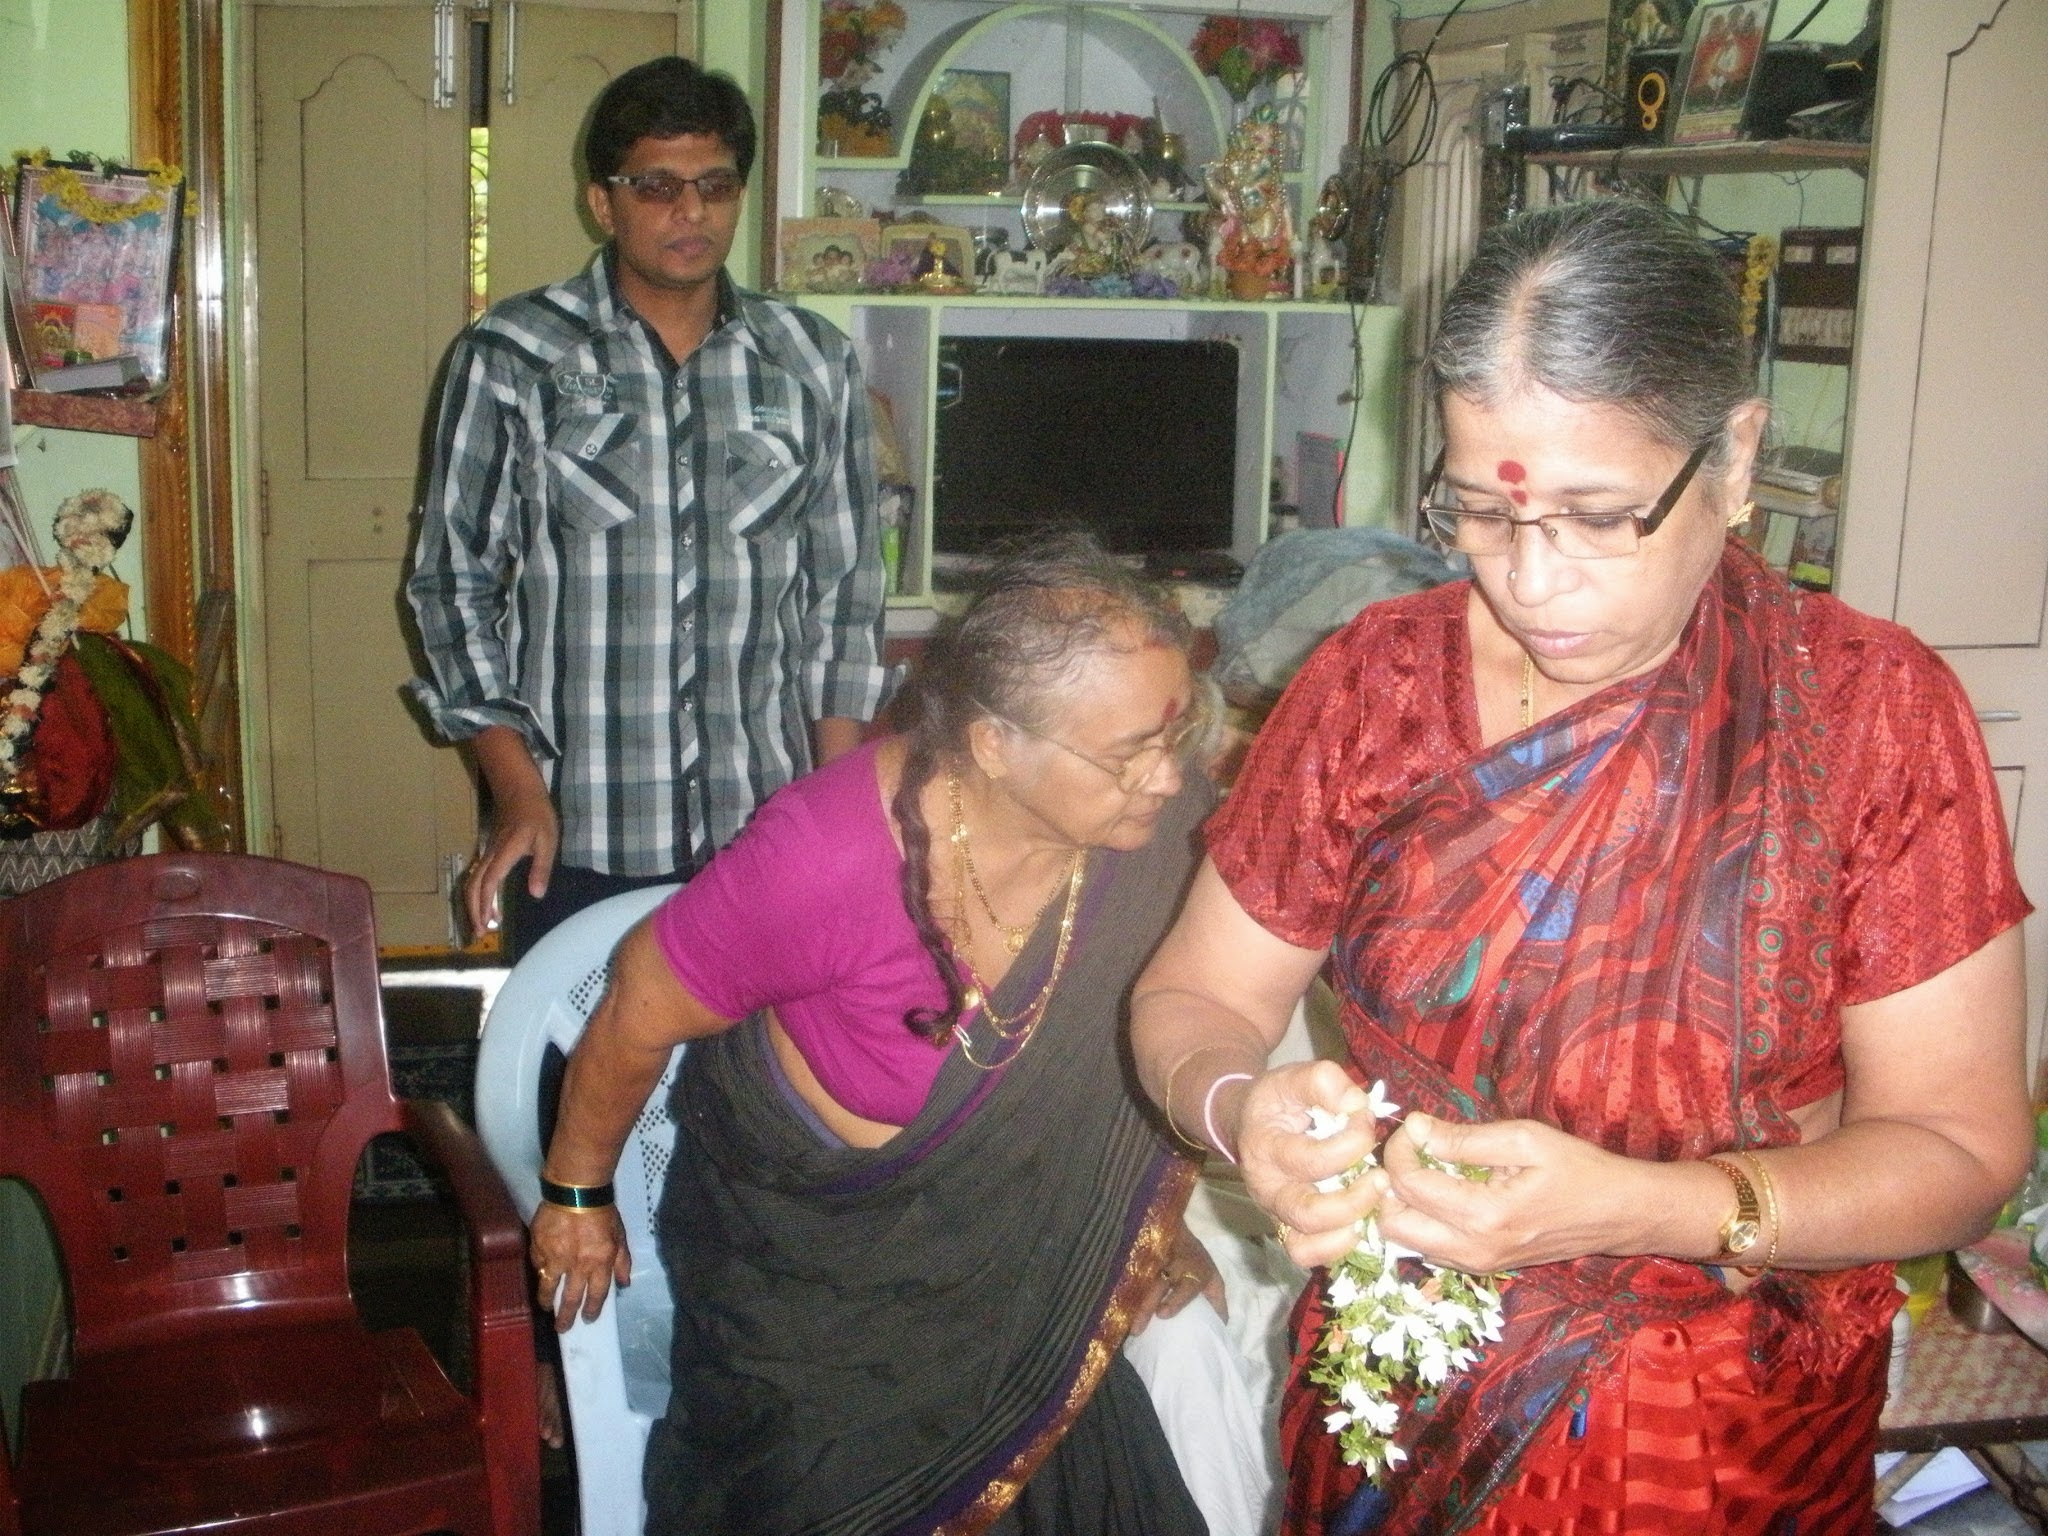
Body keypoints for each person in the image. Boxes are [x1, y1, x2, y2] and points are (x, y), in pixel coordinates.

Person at [1130, 198, 2033, 1534]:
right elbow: (1194, 999)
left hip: (1723, 1438)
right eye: (1482, 514)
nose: (1532, 582)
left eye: (1599, 517)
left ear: (1733, 456)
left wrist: (1653, 1208)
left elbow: (1958, 1150)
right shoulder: (1375, 686)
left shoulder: (1866, 716)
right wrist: (1236, 1111)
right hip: (1401, 1399)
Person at [529, 538, 1226, 1534]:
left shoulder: (1154, 841)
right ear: (994, 744)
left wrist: (1136, 1221)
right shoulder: (822, 858)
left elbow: (1103, 1075)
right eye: (1128, 754)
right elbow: (633, 1007)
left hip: (1015, 1282)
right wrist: (575, 1193)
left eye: (1177, 733)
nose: (1164, 778)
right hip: (813, 1299)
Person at [406, 54, 889, 962]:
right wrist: (517, 790)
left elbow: (844, 599)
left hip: (764, 832)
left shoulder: (811, 361)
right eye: (658, 186)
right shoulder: (515, 356)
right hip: (576, 832)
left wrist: (839, 815)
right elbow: (451, 586)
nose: (690, 212)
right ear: (604, 202)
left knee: (757, 1055)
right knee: (576, 1049)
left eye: (716, 186)